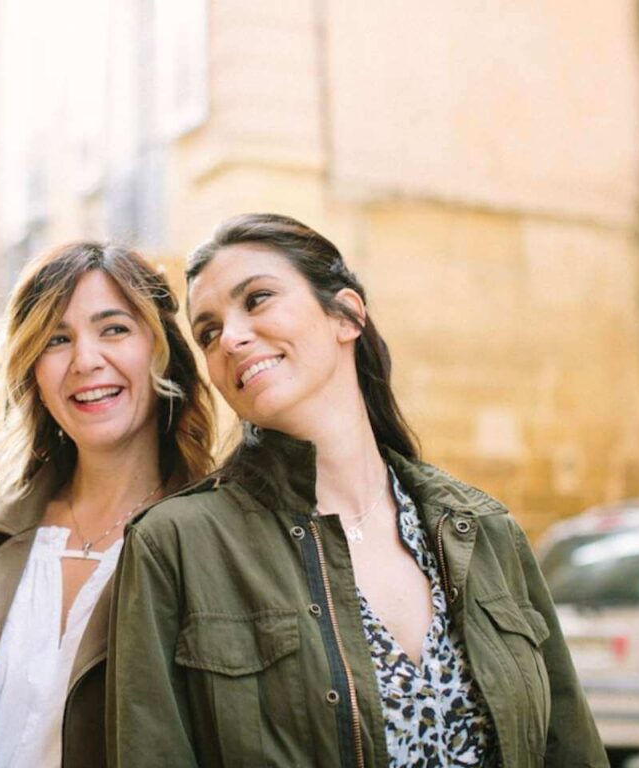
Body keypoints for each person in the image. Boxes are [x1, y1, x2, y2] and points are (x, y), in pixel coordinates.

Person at [107, 213, 606, 767]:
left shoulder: (484, 531)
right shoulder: (176, 545)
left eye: (258, 299)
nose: (232, 338)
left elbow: (571, 748)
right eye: (209, 332)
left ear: (346, 314)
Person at [0, 242, 214, 767]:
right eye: (56, 339)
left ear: (160, 350)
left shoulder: (213, 539)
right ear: (33, 373)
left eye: (114, 329)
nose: (85, 361)